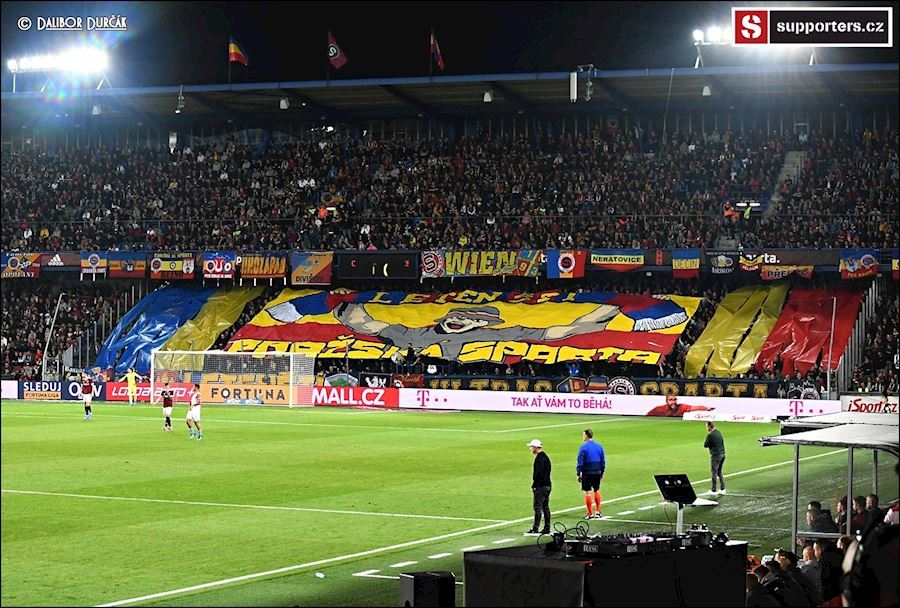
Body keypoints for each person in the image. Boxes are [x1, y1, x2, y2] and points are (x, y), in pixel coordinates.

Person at [576, 429, 605, 520]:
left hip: (587, 472)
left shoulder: (583, 447)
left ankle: (590, 513)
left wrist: (578, 473)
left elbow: (580, 462)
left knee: (587, 492)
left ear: (586, 436)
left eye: (583, 435)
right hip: (597, 471)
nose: (582, 437)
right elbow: (603, 461)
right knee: (596, 490)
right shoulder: (599, 446)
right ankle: (598, 512)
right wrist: (602, 472)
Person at [525, 439, 551, 536]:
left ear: (536, 447)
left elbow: (538, 474)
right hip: (547, 485)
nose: (531, 449)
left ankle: (535, 528)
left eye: (531, 447)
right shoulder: (545, 457)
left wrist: (535, 485)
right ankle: (547, 528)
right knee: (545, 507)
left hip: (541, 486)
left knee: (537, 508)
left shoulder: (539, 458)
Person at [703, 421, 726, 495]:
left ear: (709, 426)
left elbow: (705, 445)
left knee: (714, 472)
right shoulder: (718, 432)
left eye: (707, 426)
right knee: (719, 471)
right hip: (722, 454)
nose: (706, 428)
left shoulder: (710, 435)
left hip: (716, 455)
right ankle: (722, 488)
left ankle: (713, 489)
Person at [645, 394, 714, 417]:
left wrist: (707, 408)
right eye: (671, 400)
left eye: (675, 399)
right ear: (666, 401)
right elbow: (647, 417)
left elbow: (695, 407)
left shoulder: (681, 407)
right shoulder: (659, 409)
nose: (673, 402)